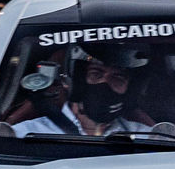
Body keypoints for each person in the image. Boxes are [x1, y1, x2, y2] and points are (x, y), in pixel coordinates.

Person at [12, 42, 152, 137]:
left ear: (129, 89)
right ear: (76, 82)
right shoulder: (28, 134)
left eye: (118, 78)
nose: (105, 84)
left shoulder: (147, 139)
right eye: (96, 74)